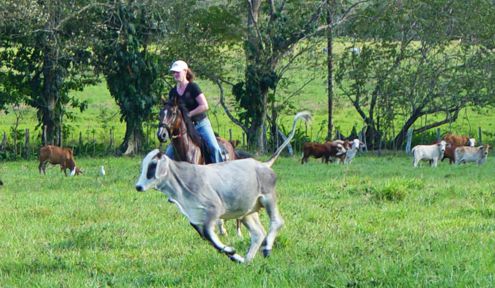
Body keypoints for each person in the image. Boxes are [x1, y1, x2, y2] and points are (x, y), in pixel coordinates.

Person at [164, 60, 224, 163]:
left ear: (185, 71)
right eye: (174, 72)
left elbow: (204, 106)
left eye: (177, 72)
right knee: (168, 154)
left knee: (214, 148)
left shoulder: (193, 87)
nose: (175, 74)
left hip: (200, 124)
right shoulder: (173, 92)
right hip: (184, 129)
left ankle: (221, 172)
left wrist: (188, 115)